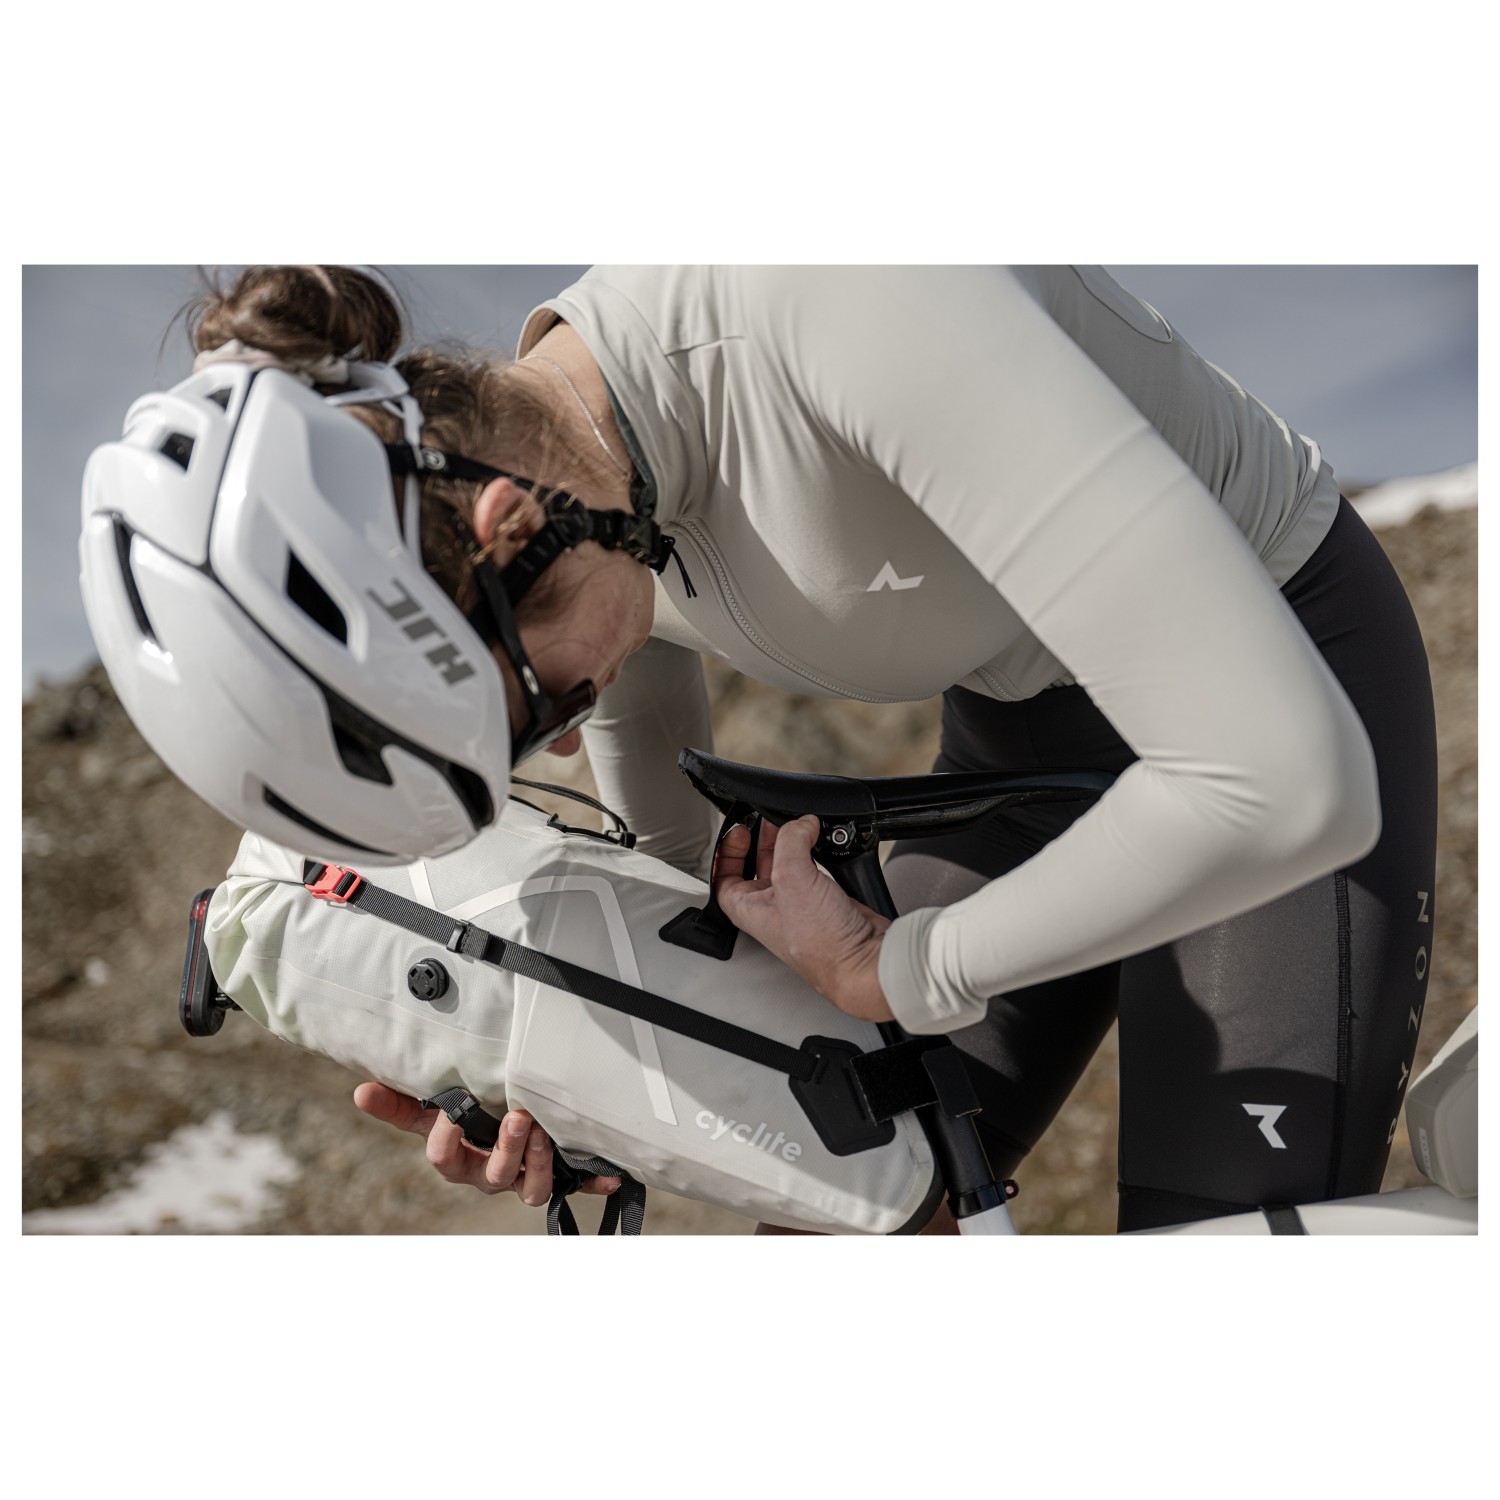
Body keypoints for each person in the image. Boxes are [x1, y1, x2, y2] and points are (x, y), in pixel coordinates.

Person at [167, 266, 1445, 1231]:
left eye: (541, 711)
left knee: (1214, 1264)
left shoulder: (846, 297)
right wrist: (591, 1081)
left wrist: (903, 965)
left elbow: (1286, 785)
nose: (567, 734)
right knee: (852, 1203)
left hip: (1275, 701)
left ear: (511, 527)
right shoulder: (599, 504)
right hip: (1024, 747)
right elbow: (673, 889)